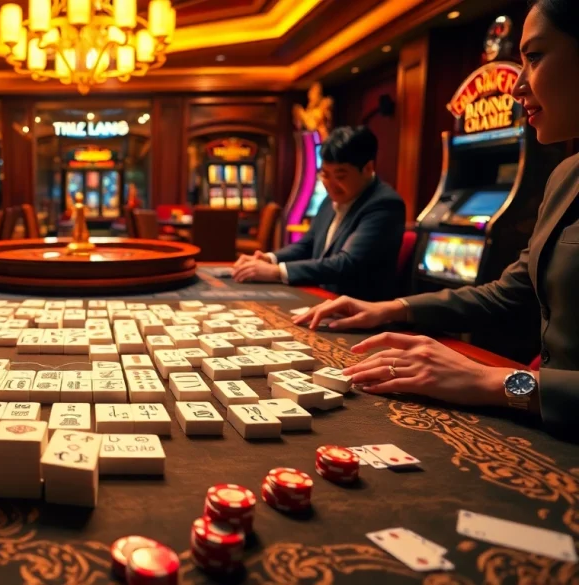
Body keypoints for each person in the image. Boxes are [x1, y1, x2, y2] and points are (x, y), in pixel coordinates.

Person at [294, 0, 579, 440]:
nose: (519, 85)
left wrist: (492, 380)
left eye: (536, 56)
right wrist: (391, 309)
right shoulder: (565, 175)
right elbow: (510, 293)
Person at [233, 126, 406, 301]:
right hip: (320, 298)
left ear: (368, 168)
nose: (330, 184)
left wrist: (278, 272)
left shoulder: (384, 204)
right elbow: (307, 245)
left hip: (357, 311)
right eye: (325, 174)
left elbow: (347, 264)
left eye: (340, 176)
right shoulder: (331, 199)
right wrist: (270, 259)